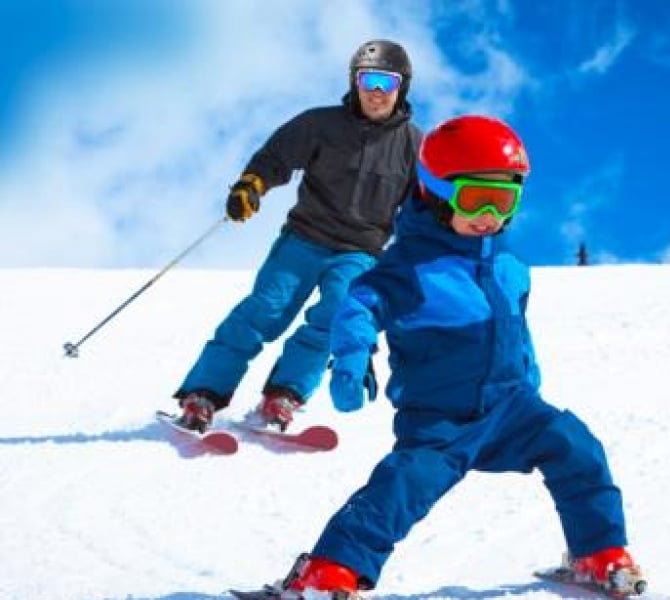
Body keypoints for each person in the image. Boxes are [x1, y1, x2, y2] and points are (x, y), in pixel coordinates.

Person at [269, 115, 645, 597]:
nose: (490, 213)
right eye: (475, 197)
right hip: (440, 417)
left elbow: (516, 328)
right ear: (433, 190)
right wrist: (352, 356)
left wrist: (528, 375)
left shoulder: (508, 265)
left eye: (504, 199)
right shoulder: (408, 267)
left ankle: (598, 552)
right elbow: (359, 307)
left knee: (577, 448)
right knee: (403, 486)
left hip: (511, 407)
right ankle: (330, 570)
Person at [173, 39, 422, 433]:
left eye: (386, 82)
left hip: (360, 252)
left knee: (337, 316)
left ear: (401, 87)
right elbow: (276, 157)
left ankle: (283, 396)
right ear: (355, 82)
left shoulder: (412, 145)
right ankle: (203, 393)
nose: (376, 91)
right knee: (264, 310)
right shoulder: (321, 124)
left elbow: (420, 206)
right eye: (368, 79)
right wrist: (251, 185)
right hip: (306, 238)